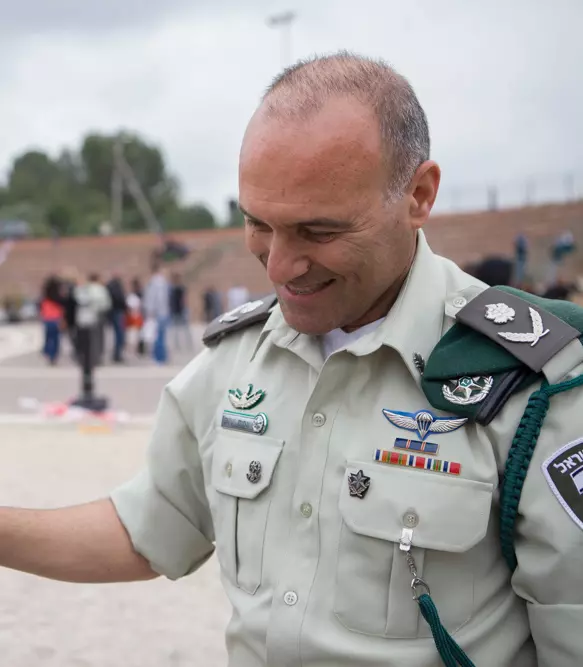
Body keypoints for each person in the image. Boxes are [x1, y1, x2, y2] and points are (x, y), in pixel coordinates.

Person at [1, 53, 583, 667]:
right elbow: (149, 530)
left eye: (319, 232)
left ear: (418, 196)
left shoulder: (532, 379)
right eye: (258, 224)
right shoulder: (237, 359)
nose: (279, 267)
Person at [142, 263, 170, 364]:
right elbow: (158, 299)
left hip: (159, 312)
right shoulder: (158, 282)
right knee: (159, 336)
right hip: (160, 313)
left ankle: (159, 357)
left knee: (158, 336)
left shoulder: (155, 282)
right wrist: (152, 311)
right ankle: (160, 357)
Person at [39, 275, 64, 365]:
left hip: (47, 319)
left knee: (48, 337)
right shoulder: (59, 299)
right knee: (56, 338)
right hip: (56, 319)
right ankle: (53, 355)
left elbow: (41, 309)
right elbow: (62, 310)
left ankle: (47, 352)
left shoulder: (45, 299)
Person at [169, 272, 193, 352]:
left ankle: (187, 344)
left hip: (180, 310)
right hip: (176, 311)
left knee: (184, 329)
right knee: (177, 330)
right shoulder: (173, 288)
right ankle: (179, 345)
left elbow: (184, 300)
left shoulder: (179, 288)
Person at [106, 273, 128, 363]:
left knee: (117, 334)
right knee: (119, 334)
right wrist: (125, 307)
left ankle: (117, 353)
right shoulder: (116, 286)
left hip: (113, 312)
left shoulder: (109, 286)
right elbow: (120, 299)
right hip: (117, 312)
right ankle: (117, 354)